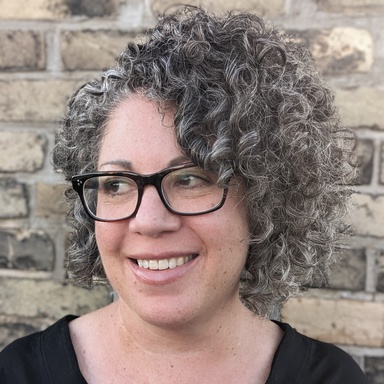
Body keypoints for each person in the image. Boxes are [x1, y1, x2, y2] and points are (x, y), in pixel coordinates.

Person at [0, 6, 368, 383]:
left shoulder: (331, 378)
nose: (148, 221)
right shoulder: (18, 373)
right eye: (117, 184)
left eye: (191, 179)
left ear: (266, 199)